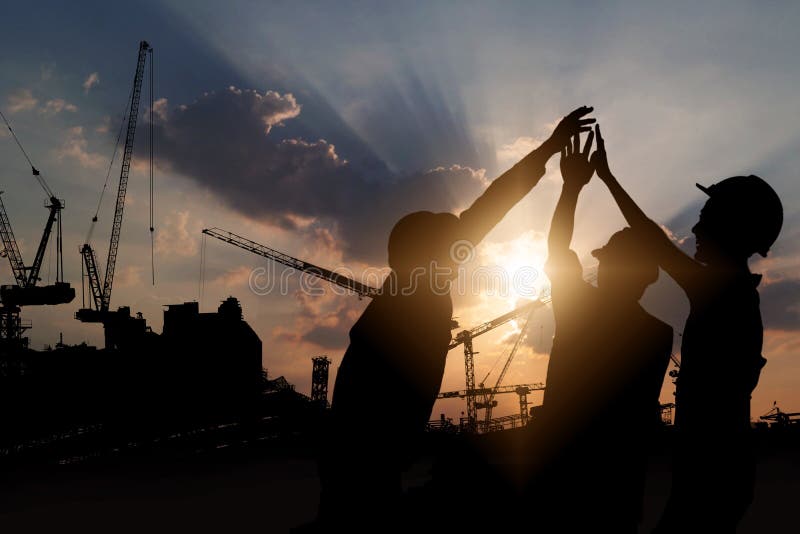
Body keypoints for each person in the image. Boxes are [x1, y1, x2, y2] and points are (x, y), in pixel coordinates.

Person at [307, 107, 596, 531]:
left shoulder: (407, 296)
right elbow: (494, 203)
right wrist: (550, 148)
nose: (464, 249)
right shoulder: (417, 294)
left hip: (363, 450)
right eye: (452, 243)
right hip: (366, 450)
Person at [590, 124, 783, 533]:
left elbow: (651, 239)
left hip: (710, 478)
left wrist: (607, 178)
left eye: (705, 220)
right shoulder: (736, 295)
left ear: (732, 228)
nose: (694, 231)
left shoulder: (722, 293)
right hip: (717, 475)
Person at [528, 131, 673, 532]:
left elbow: (558, 248)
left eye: (608, 260)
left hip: (559, 473)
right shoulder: (658, 334)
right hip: (618, 484)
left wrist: (572, 188)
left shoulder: (580, 308)